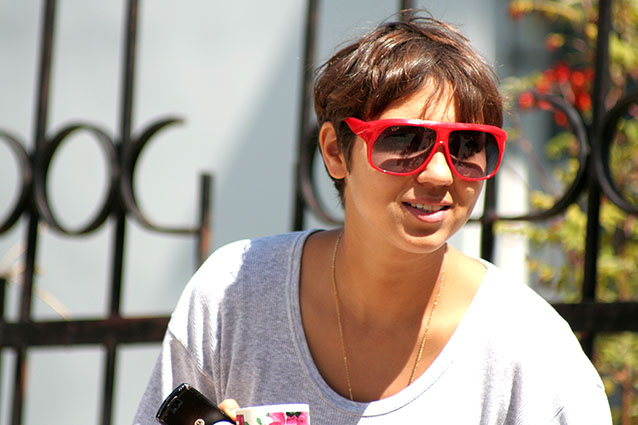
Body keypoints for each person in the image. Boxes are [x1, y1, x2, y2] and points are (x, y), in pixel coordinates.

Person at [134, 14, 612, 424]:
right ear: (334, 152)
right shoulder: (233, 296)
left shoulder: (531, 350)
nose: (440, 173)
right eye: (403, 140)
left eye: (468, 145)